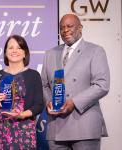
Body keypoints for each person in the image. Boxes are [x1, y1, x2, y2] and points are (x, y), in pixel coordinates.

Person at [41, 14, 110, 150]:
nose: (65, 30)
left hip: (84, 126)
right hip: (56, 127)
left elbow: (102, 84)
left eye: (69, 26)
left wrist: (74, 102)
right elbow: (44, 84)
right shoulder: (50, 53)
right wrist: (49, 102)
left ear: (80, 28)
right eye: (62, 28)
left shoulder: (95, 51)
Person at [0, 35, 44, 150]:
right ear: (5, 52)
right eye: (10, 47)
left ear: (24, 53)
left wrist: (21, 115)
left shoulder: (33, 75)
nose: (14, 51)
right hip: (2, 131)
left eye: (18, 48)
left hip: (25, 130)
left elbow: (38, 105)